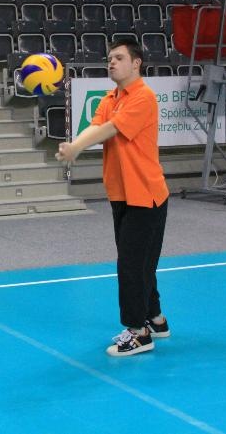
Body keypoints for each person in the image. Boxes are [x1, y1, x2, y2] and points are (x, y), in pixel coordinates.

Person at [56, 37, 170, 357]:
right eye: (109, 58)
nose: (111, 62)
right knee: (141, 262)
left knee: (131, 265)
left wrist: (76, 147)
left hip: (145, 195)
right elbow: (95, 126)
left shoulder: (143, 97)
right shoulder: (109, 98)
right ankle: (156, 320)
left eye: (119, 58)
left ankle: (138, 333)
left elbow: (110, 130)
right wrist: (77, 144)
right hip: (121, 194)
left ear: (136, 63)